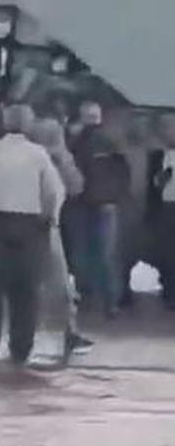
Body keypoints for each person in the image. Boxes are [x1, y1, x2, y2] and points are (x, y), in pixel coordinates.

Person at [0, 103, 64, 366]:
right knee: (26, 290)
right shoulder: (38, 155)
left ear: (5, 123)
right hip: (30, 226)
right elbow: (54, 191)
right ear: (29, 125)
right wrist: (50, 218)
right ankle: (20, 349)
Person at [31, 117, 93, 357]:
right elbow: (76, 186)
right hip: (46, 226)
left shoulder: (40, 157)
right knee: (57, 283)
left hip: (40, 224)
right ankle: (65, 331)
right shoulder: (46, 158)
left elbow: (75, 186)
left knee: (44, 283)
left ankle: (62, 331)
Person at [71, 101, 131, 316]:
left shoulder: (79, 141)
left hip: (88, 203)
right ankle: (108, 301)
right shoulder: (106, 140)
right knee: (103, 254)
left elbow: (122, 173)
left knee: (88, 253)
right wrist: (116, 197)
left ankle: (94, 297)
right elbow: (124, 172)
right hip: (100, 204)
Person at [146, 112, 175, 308]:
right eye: (164, 127)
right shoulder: (158, 155)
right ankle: (170, 291)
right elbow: (154, 184)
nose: (167, 131)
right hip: (167, 207)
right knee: (167, 252)